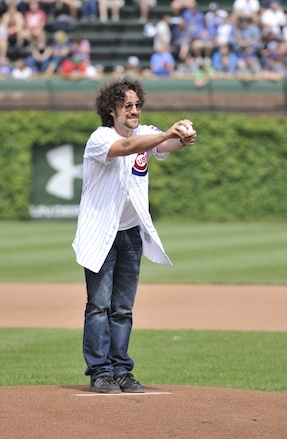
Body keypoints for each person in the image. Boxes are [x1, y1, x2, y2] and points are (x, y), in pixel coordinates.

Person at [72, 76, 197, 394]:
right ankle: (100, 372)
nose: (134, 110)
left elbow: (165, 143)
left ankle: (121, 371)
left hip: (130, 235)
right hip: (101, 233)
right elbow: (127, 147)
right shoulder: (100, 137)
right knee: (99, 306)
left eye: (137, 104)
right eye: (127, 105)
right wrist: (165, 134)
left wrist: (182, 135)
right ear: (111, 109)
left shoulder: (147, 134)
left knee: (123, 308)